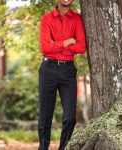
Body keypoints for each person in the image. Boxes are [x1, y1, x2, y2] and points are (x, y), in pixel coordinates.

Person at [38, 0, 86, 149]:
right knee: (45, 116)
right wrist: (67, 42)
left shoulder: (77, 18)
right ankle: (43, 147)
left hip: (68, 71)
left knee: (70, 118)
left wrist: (56, 45)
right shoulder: (47, 18)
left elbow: (81, 46)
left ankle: (63, 147)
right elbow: (45, 48)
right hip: (48, 69)